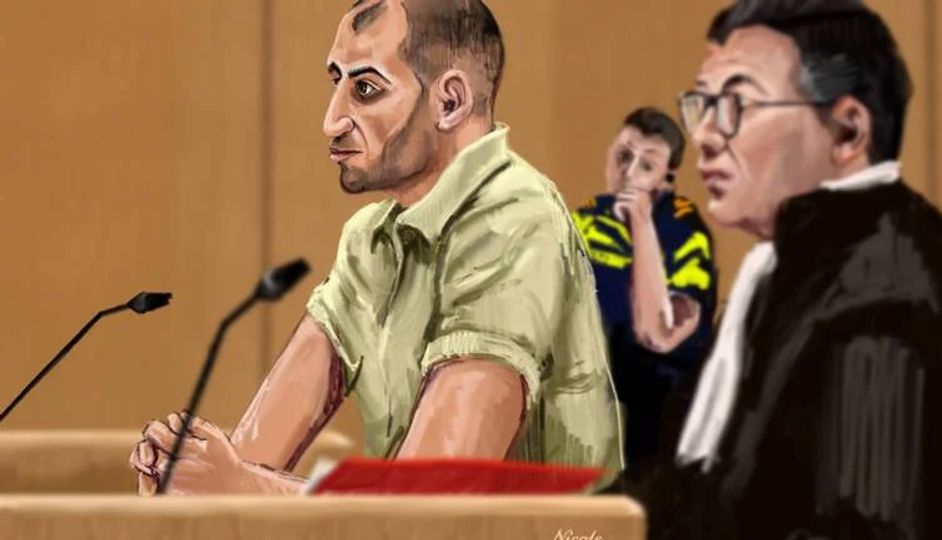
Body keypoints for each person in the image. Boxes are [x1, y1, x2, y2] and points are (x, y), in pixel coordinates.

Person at [129, 0, 623, 495]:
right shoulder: (369, 239)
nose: (331, 121)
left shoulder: (516, 220)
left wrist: (239, 487)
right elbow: (251, 461)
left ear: (450, 102)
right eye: (336, 82)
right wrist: (189, 478)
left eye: (365, 89)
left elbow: (428, 500)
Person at [631, 1, 942, 538]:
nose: (705, 135)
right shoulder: (789, 267)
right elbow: (685, 491)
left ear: (848, 132)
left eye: (736, 104)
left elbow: (866, 530)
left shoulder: (887, 287)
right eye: (702, 105)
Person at [571, 108, 717, 465]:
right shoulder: (587, 219)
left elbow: (659, 333)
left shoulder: (685, 230)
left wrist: (641, 222)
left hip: (662, 407)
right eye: (623, 156)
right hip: (593, 397)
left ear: (666, 180)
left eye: (647, 165)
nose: (629, 173)